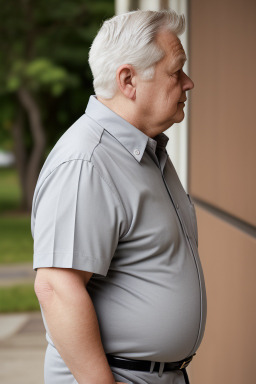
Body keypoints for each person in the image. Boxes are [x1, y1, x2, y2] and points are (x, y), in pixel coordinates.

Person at [31, 9, 207, 384]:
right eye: (176, 71)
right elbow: (56, 288)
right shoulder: (87, 161)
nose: (188, 83)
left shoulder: (147, 152)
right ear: (128, 80)